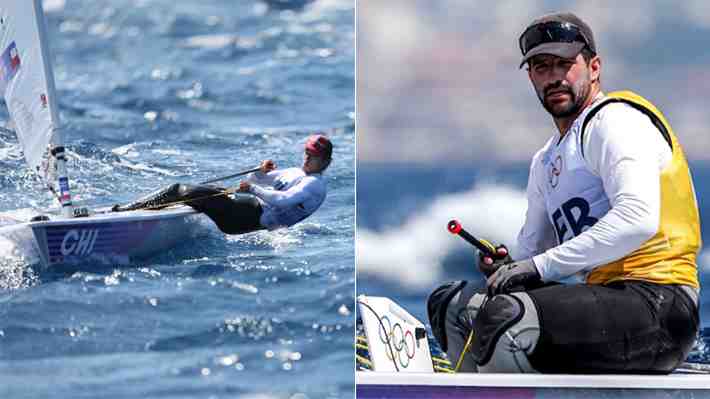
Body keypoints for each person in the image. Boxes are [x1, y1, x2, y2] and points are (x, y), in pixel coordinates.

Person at [427, 12, 700, 374]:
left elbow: (637, 219)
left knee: (505, 318)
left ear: (594, 67)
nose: (554, 76)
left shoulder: (616, 121)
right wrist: (507, 265)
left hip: (662, 306)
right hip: (604, 308)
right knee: (453, 304)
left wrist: (536, 266)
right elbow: (531, 255)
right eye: (541, 67)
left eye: (564, 64)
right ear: (531, 78)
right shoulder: (545, 160)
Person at [113, 134, 332, 235]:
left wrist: (254, 188)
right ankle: (148, 210)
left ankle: (126, 212)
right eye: (307, 153)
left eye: (314, 157)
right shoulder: (296, 172)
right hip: (246, 208)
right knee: (202, 193)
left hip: (248, 218)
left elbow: (283, 201)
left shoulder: (315, 185)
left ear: (325, 162)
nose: (308, 159)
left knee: (179, 189)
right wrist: (260, 171)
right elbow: (258, 180)